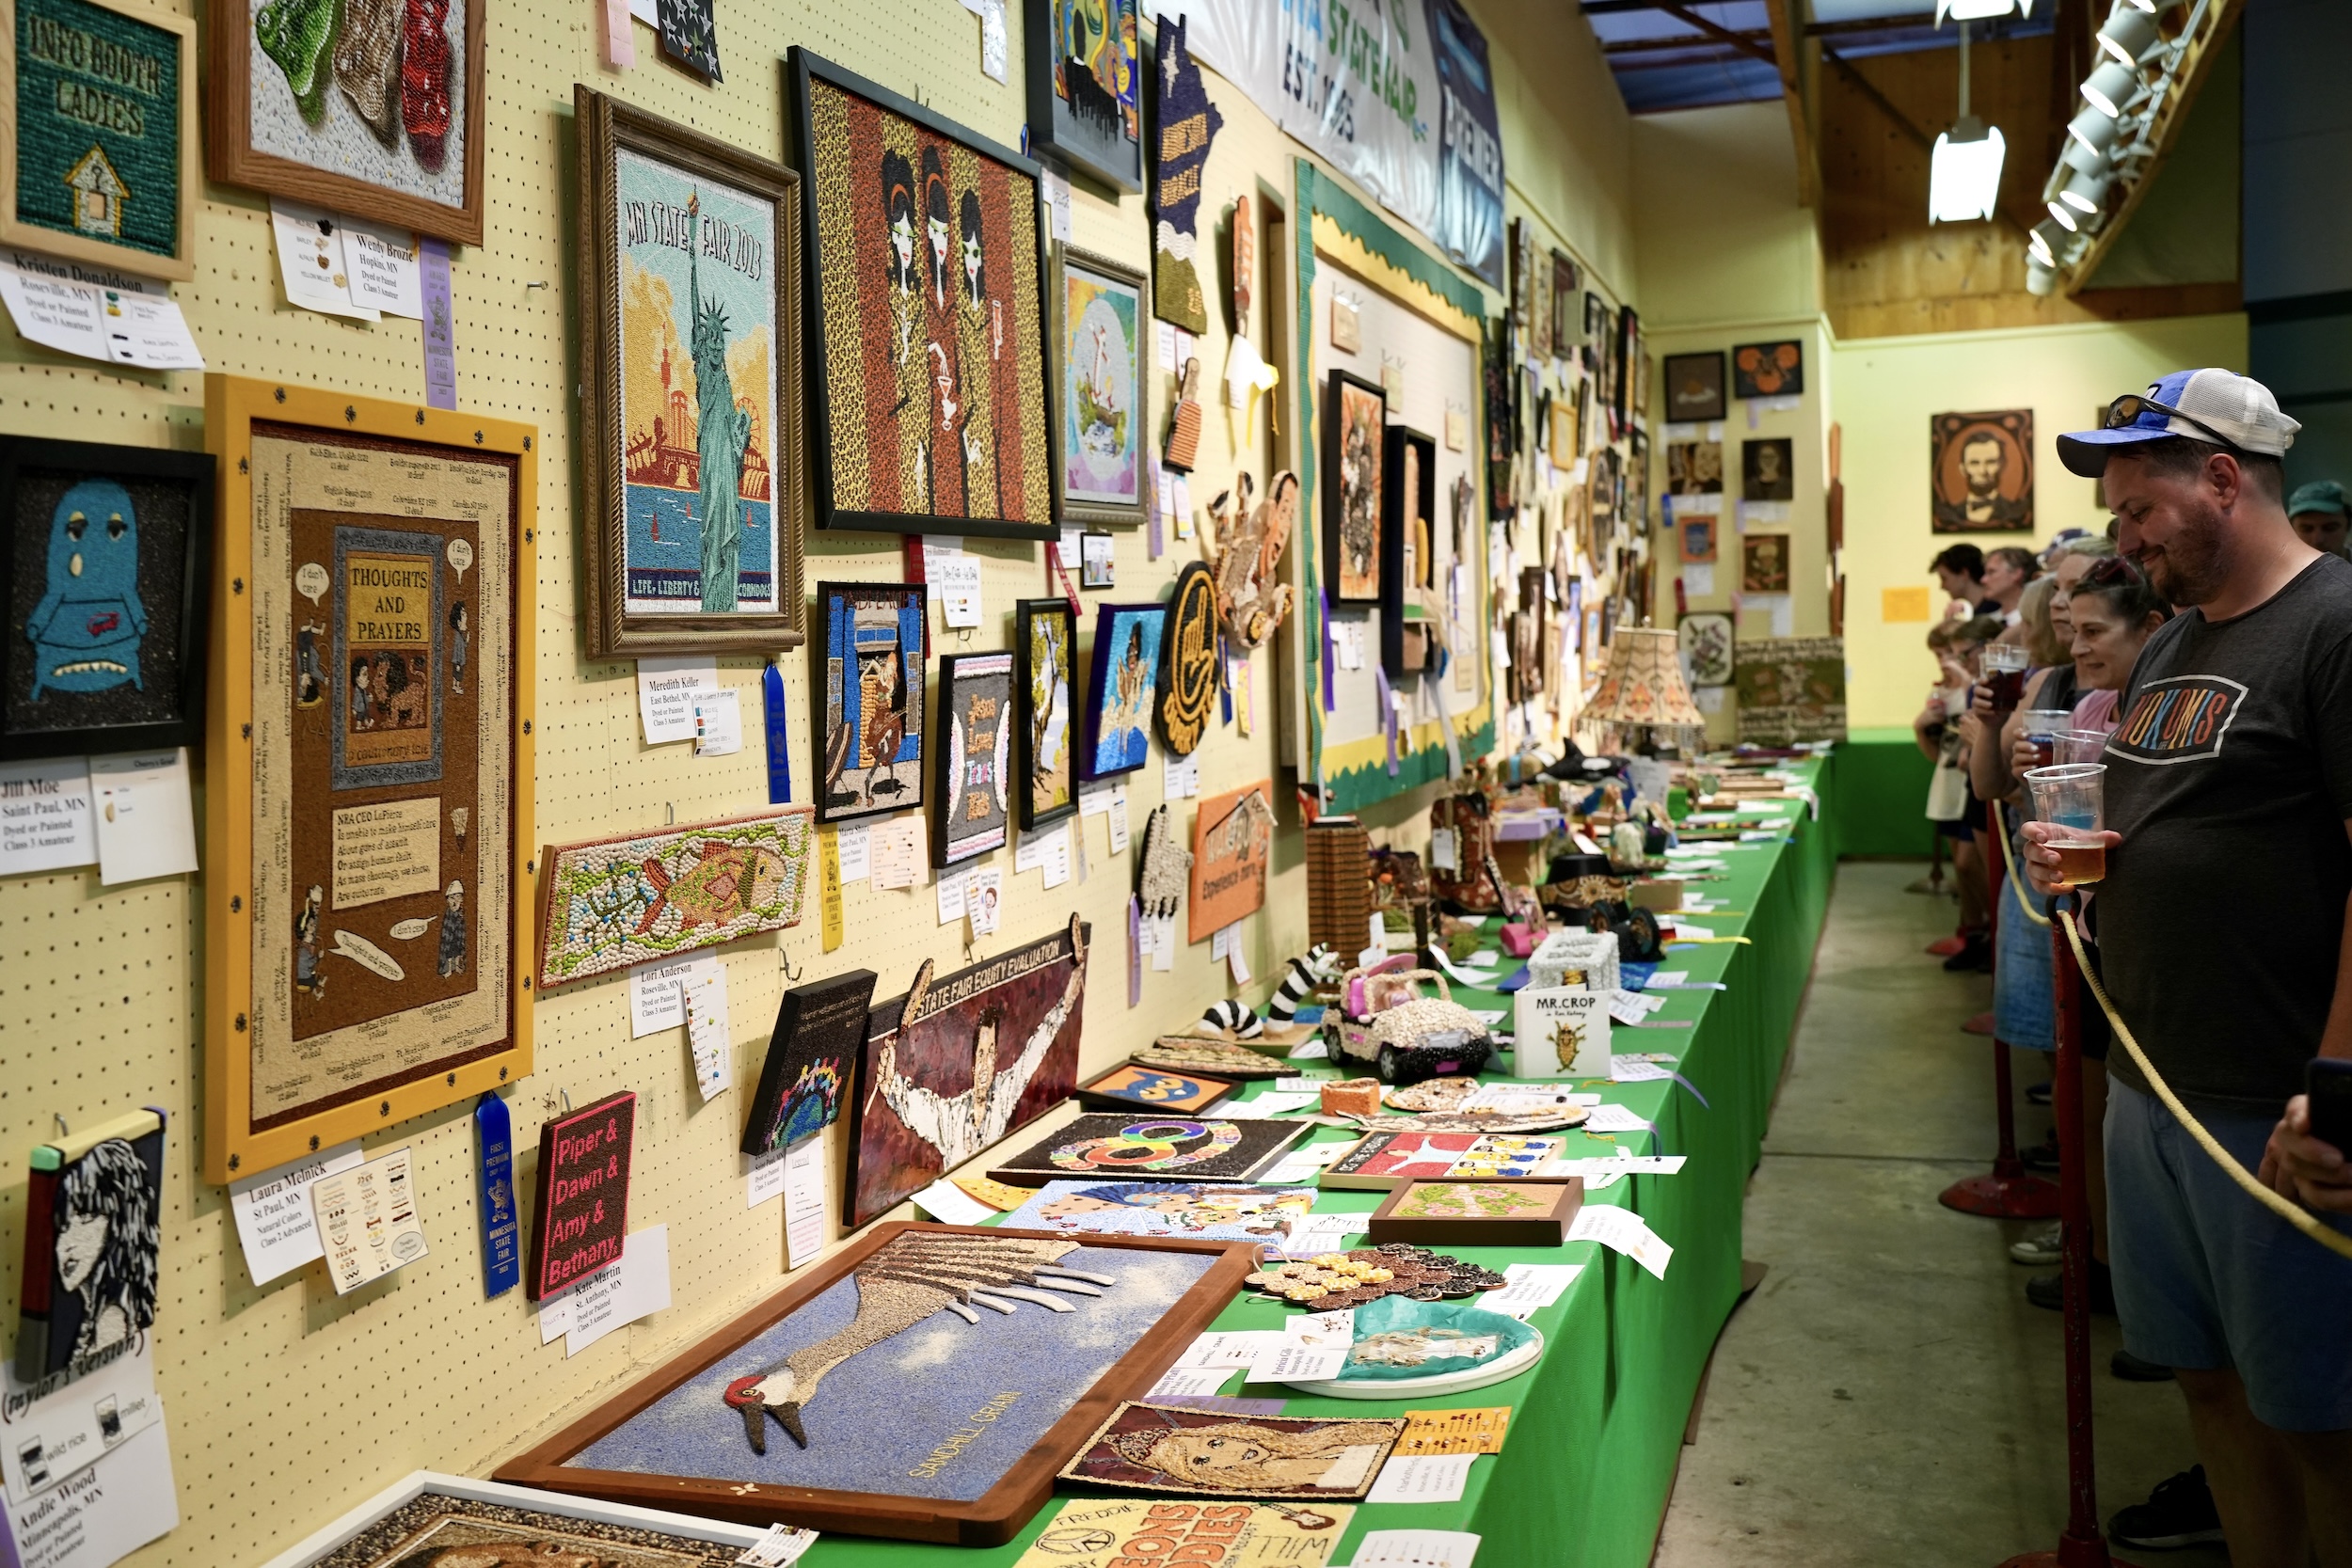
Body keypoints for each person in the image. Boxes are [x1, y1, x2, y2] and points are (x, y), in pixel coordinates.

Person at [2023, 370, 2352, 1566]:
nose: (2125, 540)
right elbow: (2157, 822)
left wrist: (2339, 1083)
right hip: (2147, 1084)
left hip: (2269, 1108)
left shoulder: (2333, 623)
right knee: (2206, 1387)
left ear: (2221, 478)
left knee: (2319, 1421)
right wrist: (2089, 857)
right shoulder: (2168, 648)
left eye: (2136, 509)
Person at [1971, 559, 2171, 1306]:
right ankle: (2102, 1262)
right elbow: (2030, 806)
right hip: (2089, 935)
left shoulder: (2158, 709)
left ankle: (2145, 1284)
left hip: (2147, 950)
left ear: (2149, 629)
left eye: (2094, 629)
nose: (2077, 643)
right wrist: (2025, 769)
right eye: (2071, 627)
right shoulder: (2086, 706)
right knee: (2085, 1109)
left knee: (2147, 1127)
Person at [2288, 478, 2349, 561]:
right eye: (2306, 529)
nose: (2318, 540)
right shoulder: (2274, 571)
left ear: (2348, 525)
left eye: (2330, 528)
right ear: (2291, 530)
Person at [1931, 543, 1993, 618]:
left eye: (1944, 578)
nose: (1942, 586)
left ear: (1964, 574)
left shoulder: (1993, 614)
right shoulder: (1979, 613)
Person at [1981, 545, 2038, 624]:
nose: (1983, 580)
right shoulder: (1988, 621)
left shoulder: (2034, 622)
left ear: (2016, 574)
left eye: (1991, 572)